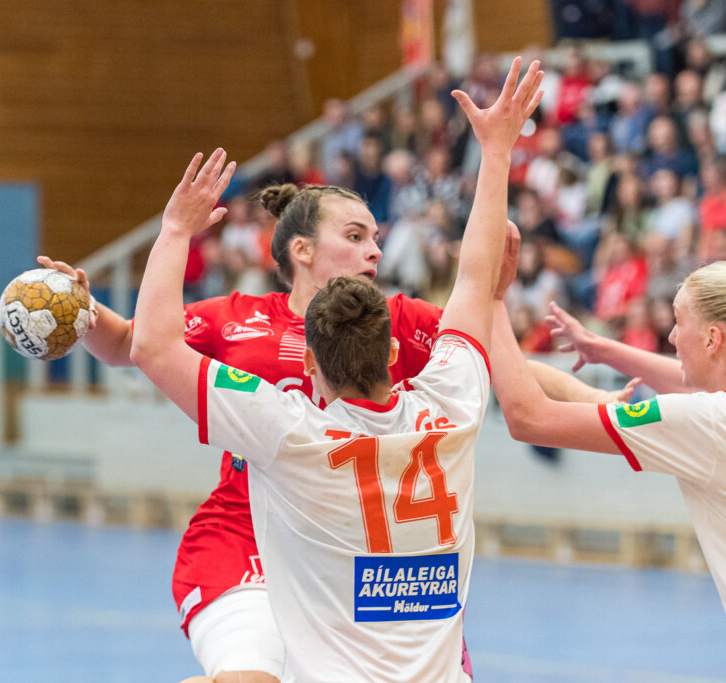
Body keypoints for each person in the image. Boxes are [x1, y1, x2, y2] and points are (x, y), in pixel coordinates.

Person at [38, 67, 633, 683]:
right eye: (355, 236)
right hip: (247, 538)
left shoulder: (389, 323)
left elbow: (510, 368)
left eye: (376, 237)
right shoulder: (236, 318)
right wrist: (81, 312)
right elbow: (132, 342)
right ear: (301, 250)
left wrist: (593, 394)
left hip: (357, 544)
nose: (375, 250)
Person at [129, 57, 542, 680]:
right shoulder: (453, 403)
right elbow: (475, 279)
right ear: (398, 353)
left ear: (309, 365)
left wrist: (175, 230)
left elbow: (152, 347)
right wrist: (497, 151)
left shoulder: (291, 430)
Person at [491, 257, 726, 681]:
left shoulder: (709, 424)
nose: (669, 336)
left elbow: (529, 418)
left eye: (678, 322)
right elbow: (701, 385)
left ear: (713, 338)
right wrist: (602, 349)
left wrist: (493, 299)